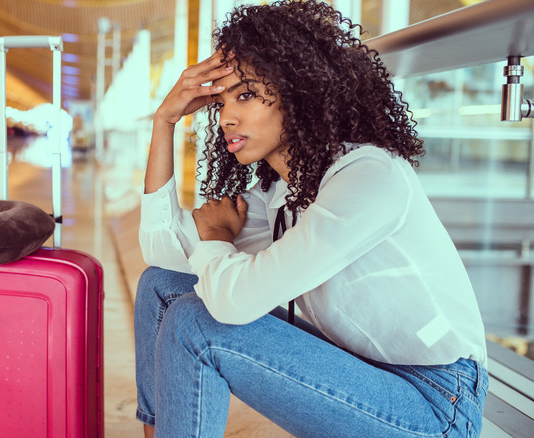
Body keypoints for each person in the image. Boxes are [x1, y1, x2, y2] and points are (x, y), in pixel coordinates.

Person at [134, 1, 488, 437]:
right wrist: (164, 121)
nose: (226, 118)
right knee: (162, 287)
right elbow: (161, 248)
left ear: (298, 89)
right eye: (220, 102)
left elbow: (234, 304)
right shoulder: (282, 193)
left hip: (436, 404)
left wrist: (215, 242)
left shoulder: (369, 177)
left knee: (196, 321)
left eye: (245, 95)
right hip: (361, 374)